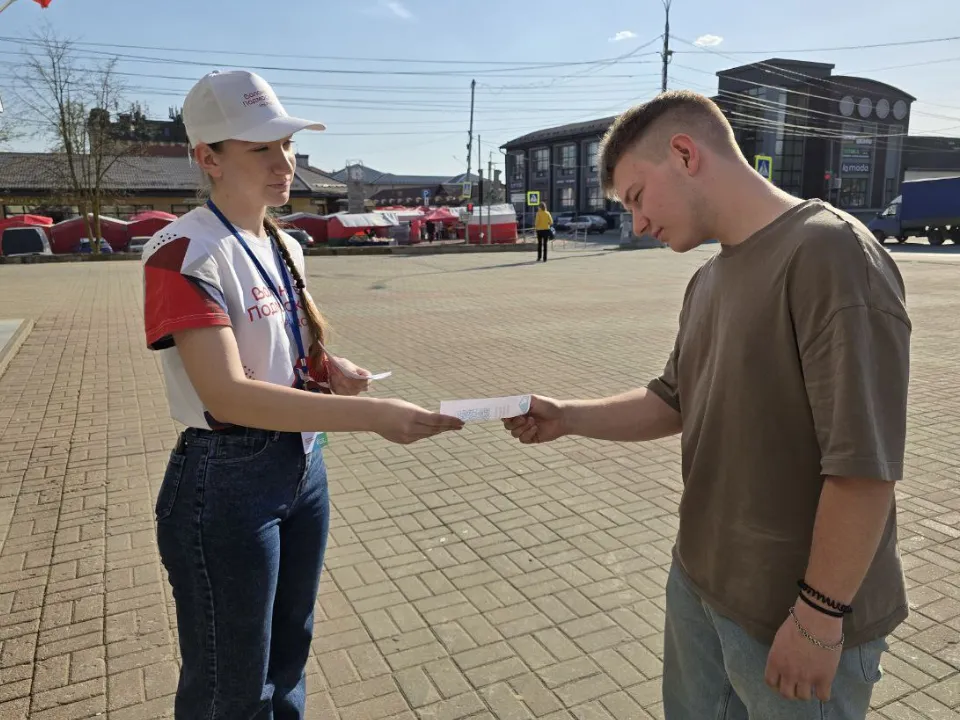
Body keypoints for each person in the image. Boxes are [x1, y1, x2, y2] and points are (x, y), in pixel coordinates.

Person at [503, 90, 910, 720]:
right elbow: (674, 401)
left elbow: (863, 466)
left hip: (793, 615)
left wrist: (819, 617)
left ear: (685, 154)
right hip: (700, 585)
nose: (636, 223)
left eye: (636, 196)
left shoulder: (829, 253)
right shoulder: (709, 279)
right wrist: (568, 416)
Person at [142, 69, 463, 719]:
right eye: (261, 148)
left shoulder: (285, 241)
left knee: (289, 655)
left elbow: (285, 347)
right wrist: (369, 414)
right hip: (225, 481)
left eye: (286, 144)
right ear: (209, 158)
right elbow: (228, 395)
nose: (284, 162)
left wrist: (327, 368)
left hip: (303, 466)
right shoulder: (180, 252)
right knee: (228, 684)